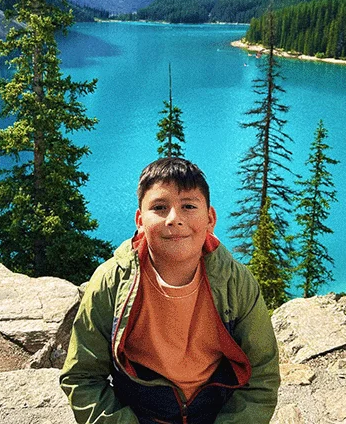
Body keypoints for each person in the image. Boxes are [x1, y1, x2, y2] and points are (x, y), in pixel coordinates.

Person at [60, 157, 280, 424]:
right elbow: (82, 377)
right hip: (140, 415)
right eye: (160, 207)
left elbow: (261, 377)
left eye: (188, 206)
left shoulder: (235, 283)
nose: (174, 219)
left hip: (216, 415)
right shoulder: (112, 282)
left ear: (210, 218)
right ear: (140, 220)